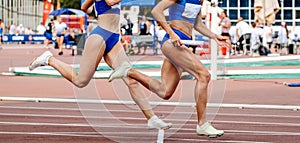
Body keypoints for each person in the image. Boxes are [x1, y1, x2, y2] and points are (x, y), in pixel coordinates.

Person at [29, 0, 171, 131]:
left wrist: (94, 9)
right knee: (80, 81)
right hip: (100, 35)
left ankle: (151, 118)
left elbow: (84, 7)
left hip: (114, 38)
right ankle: (49, 59)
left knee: (131, 78)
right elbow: (110, 1)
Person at [109, 0, 230, 138]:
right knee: (204, 75)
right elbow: (156, 11)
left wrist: (214, 36)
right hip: (172, 43)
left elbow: (197, 24)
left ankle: (128, 71)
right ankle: (202, 124)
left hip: (183, 42)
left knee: (165, 91)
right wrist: (171, 33)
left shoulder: (200, 1)